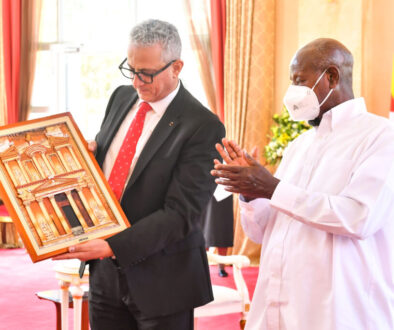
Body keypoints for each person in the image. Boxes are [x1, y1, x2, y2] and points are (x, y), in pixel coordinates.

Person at [211, 38, 394, 330]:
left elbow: (359, 217)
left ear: (331, 77)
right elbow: (261, 233)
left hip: (338, 313)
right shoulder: (299, 145)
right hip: (278, 308)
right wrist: (251, 194)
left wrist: (271, 187)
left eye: (299, 80)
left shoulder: (381, 136)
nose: (291, 92)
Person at [54, 19, 225, 330]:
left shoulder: (203, 125)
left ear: (177, 67)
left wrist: (114, 245)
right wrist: (89, 158)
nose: (136, 82)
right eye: (131, 69)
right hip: (105, 274)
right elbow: (113, 170)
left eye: (146, 73)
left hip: (163, 280)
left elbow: (181, 214)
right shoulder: (120, 98)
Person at [200, 194, 234, 277]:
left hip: (223, 190)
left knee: (222, 229)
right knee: (204, 228)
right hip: (204, 190)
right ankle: (202, 267)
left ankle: (221, 267)